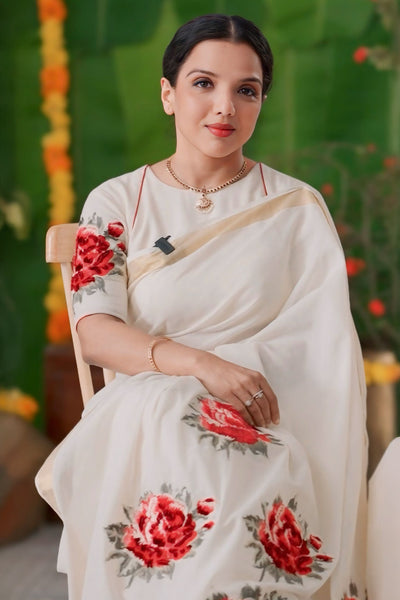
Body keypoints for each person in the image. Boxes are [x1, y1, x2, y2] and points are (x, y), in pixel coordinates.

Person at [36, 14, 367, 600]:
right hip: (148, 414)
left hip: (266, 417)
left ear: (261, 102)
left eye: (247, 90)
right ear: (168, 94)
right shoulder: (115, 201)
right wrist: (201, 367)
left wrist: (235, 389)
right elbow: (95, 333)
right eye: (203, 84)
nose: (225, 107)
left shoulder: (295, 207)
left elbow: (324, 350)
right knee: (177, 422)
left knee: (228, 454)